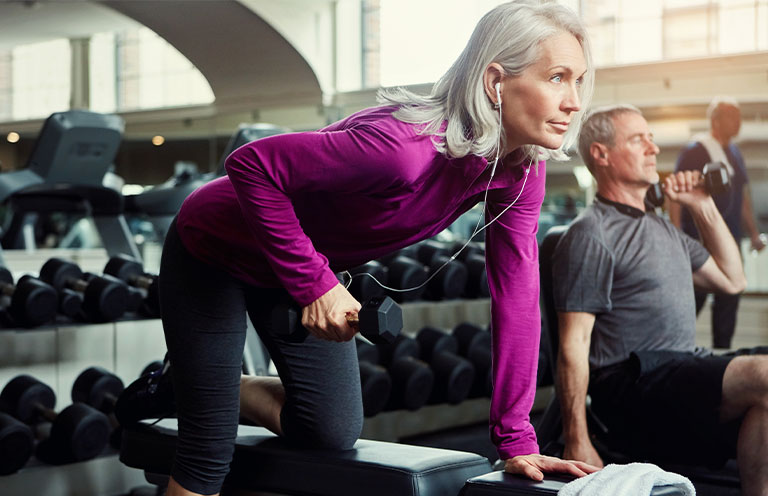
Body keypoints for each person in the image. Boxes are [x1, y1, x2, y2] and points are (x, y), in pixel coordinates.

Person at [116, 2, 600, 495]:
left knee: (330, 429)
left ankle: (194, 386)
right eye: (558, 78)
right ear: (496, 82)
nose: (575, 101)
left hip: (292, 264)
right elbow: (250, 165)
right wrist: (314, 284)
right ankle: (208, 394)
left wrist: (515, 438)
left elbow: (517, 299)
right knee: (207, 448)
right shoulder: (403, 151)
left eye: (579, 81)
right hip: (214, 251)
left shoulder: (519, 173)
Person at [553, 104, 768, 496]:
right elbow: (574, 343)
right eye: (639, 140)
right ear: (601, 154)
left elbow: (733, 280)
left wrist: (701, 204)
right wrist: (576, 437)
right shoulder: (591, 233)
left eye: (652, 139)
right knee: (763, 375)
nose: (653, 149)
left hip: (682, 368)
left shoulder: (662, 229)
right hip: (632, 383)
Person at [669, 97, 766, 349]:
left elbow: (742, 197)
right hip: (699, 240)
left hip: (730, 239)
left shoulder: (735, 153)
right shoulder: (696, 150)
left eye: (739, 116)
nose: (738, 122)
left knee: (729, 298)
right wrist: (678, 234)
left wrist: (753, 233)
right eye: (731, 116)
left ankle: (722, 357)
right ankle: (673, 351)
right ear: (715, 120)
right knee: (692, 302)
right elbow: (676, 192)